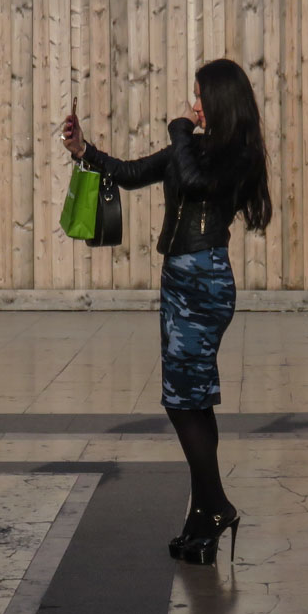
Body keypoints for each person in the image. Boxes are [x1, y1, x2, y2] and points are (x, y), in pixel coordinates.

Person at [61, 58, 273, 565]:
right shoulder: (193, 149)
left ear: (219, 100)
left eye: (200, 96)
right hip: (180, 278)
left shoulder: (237, 154)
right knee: (193, 400)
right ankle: (202, 516)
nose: (193, 106)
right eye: (192, 97)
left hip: (203, 280)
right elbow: (132, 173)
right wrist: (84, 151)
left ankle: (215, 507)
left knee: (181, 401)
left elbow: (197, 184)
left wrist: (180, 132)